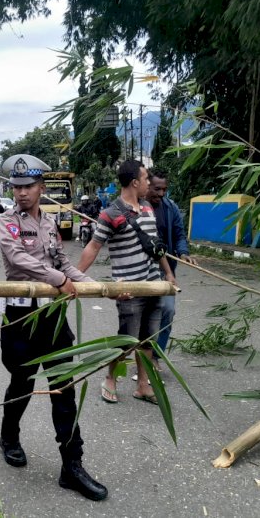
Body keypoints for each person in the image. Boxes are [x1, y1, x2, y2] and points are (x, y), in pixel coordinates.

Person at [0, 153, 108, 502]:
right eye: (16, 187)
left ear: (41, 188)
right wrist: (59, 279)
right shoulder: (6, 222)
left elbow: (62, 263)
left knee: (64, 387)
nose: (21, 193)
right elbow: (18, 258)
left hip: (53, 317)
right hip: (21, 316)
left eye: (28, 186)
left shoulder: (49, 223)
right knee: (22, 382)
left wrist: (90, 285)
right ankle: (9, 436)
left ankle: (71, 465)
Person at [77, 160, 176, 405]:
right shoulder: (111, 214)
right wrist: (75, 278)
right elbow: (94, 246)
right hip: (129, 289)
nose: (148, 183)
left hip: (153, 285)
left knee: (147, 340)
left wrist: (168, 274)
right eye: (145, 179)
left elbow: (156, 245)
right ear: (134, 182)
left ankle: (143, 385)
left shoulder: (147, 208)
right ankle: (110, 378)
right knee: (127, 341)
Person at [147, 169, 197, 367]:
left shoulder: (171, 208)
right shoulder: (137, 208)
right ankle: (138, 356)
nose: (161, 194)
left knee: (167, 311)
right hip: (142, 270)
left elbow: (179, 234)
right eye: (157, 189)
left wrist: (183, 252)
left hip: (165, 271)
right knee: (141, 315)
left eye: (164, 189)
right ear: (146, 185)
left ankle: (155, 357)